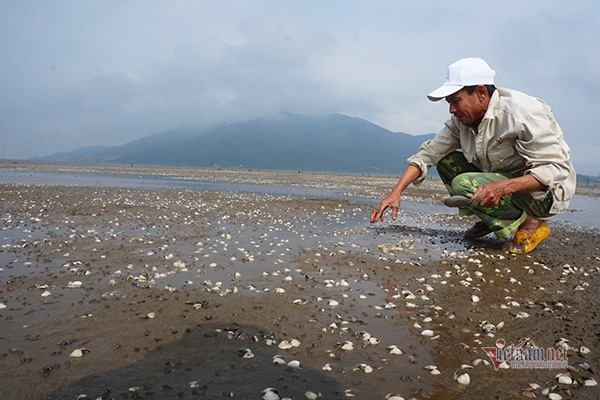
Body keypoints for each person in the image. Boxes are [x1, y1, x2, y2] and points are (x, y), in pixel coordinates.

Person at [370, 57, 576, 253]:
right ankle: (491, 218)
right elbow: (428, 154)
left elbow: (555, 170)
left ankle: (531, 224)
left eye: (456, 101)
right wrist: (396, 192)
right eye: (448, 102)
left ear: (480, 93)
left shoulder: (523, 113)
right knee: (446, 160)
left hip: (545, 194)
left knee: (464, 184)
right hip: (501, 182)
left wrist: (502, 187)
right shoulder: (461, 122)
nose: (451, 109)